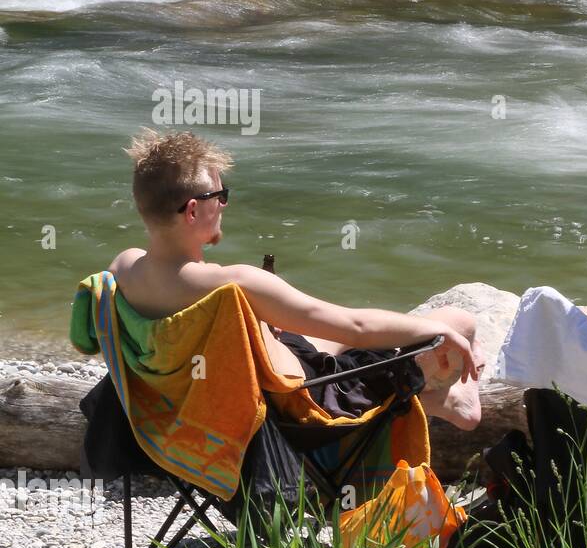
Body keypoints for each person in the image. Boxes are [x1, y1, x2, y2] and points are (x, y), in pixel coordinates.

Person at [105, 129, 482, 430]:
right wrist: (434, 332)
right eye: (220, 195)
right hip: (303, 405)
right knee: (458, 321)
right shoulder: (236, 283)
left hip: (192, 415)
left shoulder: (121, 269)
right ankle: (448, 400)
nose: (224, 205)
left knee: (314, 337)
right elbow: (356, 327)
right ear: (192, 210)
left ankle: (437, 400)